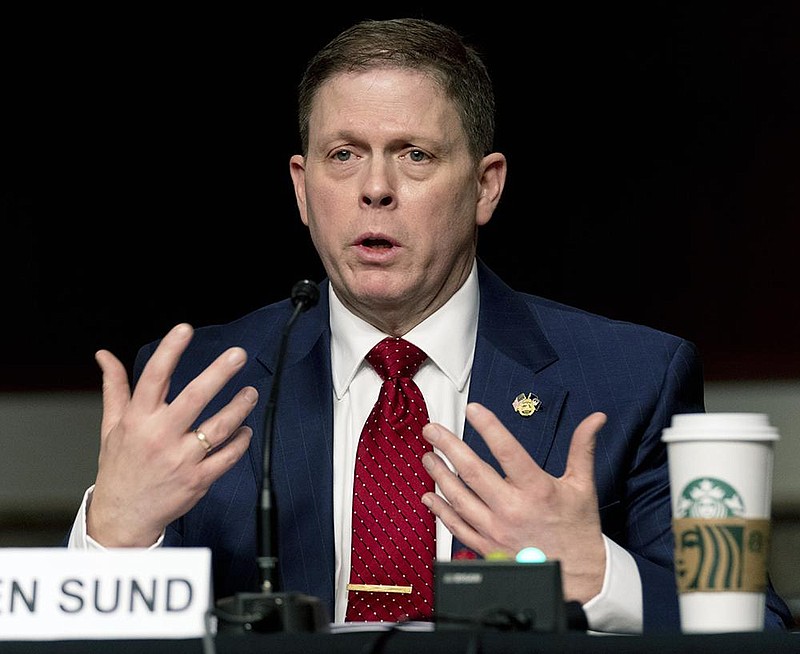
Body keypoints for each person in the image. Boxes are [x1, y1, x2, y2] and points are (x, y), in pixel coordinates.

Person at [66, 17, 793, 633]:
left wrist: (601, 577)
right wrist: (113, 539)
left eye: (414, 155)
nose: (374, 189)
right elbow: (98, 642)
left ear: (485, 186)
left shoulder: (629, 381)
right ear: (302, 187)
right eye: (343, 155)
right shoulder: (198, 388)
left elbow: (756, 627)